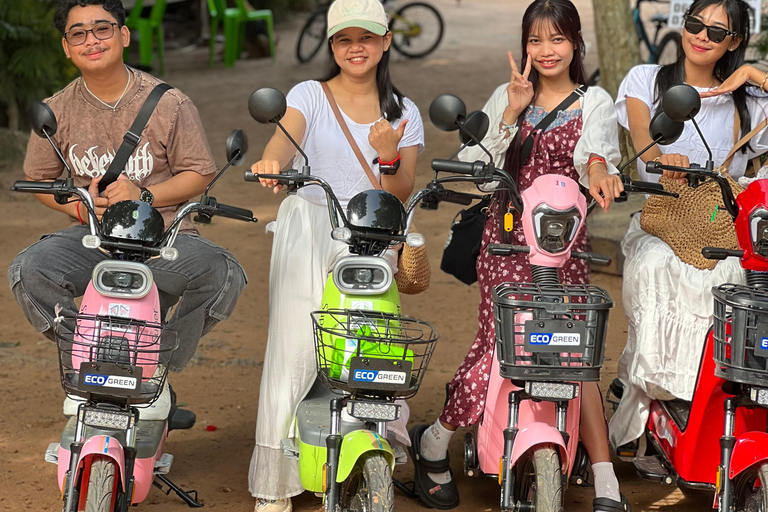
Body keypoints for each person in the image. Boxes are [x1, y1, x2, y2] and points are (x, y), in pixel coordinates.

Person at [407, 1, 628, 511]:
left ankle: (605, 480)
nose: (545, 51)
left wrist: (598, 168)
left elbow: (596, 152)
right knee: (500, 345)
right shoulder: (508, 96)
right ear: (524, 45)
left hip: (563, 244)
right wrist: (509, 111)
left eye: (556, 39)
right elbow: (476, 168)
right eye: (535, 40)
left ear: (575, 42)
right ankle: (437, 440)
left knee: (577, 354)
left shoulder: (594, 100)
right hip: (505, 242)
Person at [246, 0, 424, 509]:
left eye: (366, 38)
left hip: (370, 238)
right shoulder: (310, 95)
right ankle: (276, 484)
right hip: (310, 231)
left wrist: (388, 152)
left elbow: (403, 189)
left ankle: (369, 445)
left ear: (386, 41)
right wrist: (271, 162)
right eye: (345, 40)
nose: (356, 48)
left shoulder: (404, 112)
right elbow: (284, 138)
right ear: (332, 46)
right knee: (294, 346)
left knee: (370, 343)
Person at [8, 0, 247, 373]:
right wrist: (78, 208)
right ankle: (88, 355)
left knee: (223, 273)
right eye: (78, 33)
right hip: (94, 239)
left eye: (102, 29)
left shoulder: (170, 103)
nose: (92, 40)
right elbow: (39, 180)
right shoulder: (56, 110)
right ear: (66, 48)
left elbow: (199, 173)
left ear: (123, 35)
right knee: (29, 270)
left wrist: (145, 195)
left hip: (167, 238)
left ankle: (157, 364)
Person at [608, 0, 768, 452]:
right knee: (654, 266)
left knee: (737, 280)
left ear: (735, 41)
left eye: (718, 32)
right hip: (662, 222)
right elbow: (645, 144)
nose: (701, 35)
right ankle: (658, 405)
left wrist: (753, 76)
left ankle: (707, 407)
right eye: (695, 23)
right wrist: (665, 158)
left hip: (720, 229)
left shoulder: (747, 101)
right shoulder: (647, 79)